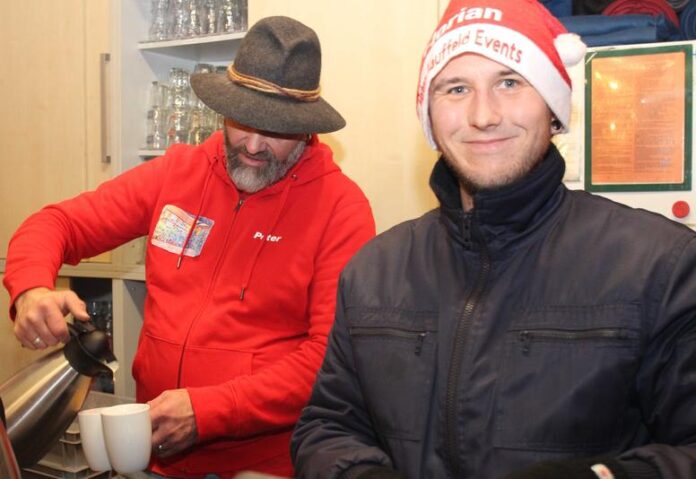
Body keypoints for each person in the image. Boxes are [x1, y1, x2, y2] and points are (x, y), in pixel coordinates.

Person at [291, 1, 696, 478]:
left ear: (553, 109)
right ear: (430, 117)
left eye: (510, 82)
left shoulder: (660, 266)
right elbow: (327, 427)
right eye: (456, 88)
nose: (483, 115)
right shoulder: (374, 271)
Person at [4, 16, 375, 478]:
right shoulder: (178, 172)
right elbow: (57, 223)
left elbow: (329, 358)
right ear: (223, 108)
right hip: (156, 461)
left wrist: (211, 410)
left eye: (277, 130)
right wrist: (31, 289)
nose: (254, 146)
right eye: (243, 121)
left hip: (265, 468)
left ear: (305, 128)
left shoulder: (340, 208)